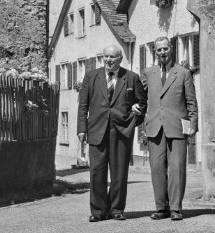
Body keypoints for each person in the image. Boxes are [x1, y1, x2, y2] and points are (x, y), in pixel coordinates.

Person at [78, 44, 147, 222]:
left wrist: (134, 119)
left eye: (112, 57)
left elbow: (143, 104)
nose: (108, 60)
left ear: (120, 59)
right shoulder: (91, 77)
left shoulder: (131, 78)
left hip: (121, 131)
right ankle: (98, 211)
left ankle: (116, 209)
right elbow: (83, 106)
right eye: (106, 56)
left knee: (119, 173)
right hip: (97, 131)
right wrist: (81, 129)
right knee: (97, 173)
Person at [135, 36, 198, 221]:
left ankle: (176, 208)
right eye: (159, 49)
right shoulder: (148, 73)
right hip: (155, 127)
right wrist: (135, 107)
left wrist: (193, 123)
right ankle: (161, 207)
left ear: (171, 49)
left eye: (165, 49)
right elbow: (141, 98)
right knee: (156, 168)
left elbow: (191, 102)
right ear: (155, 51)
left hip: (177, 126)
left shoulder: (184, 73)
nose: (162, 52)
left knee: (177, 168)